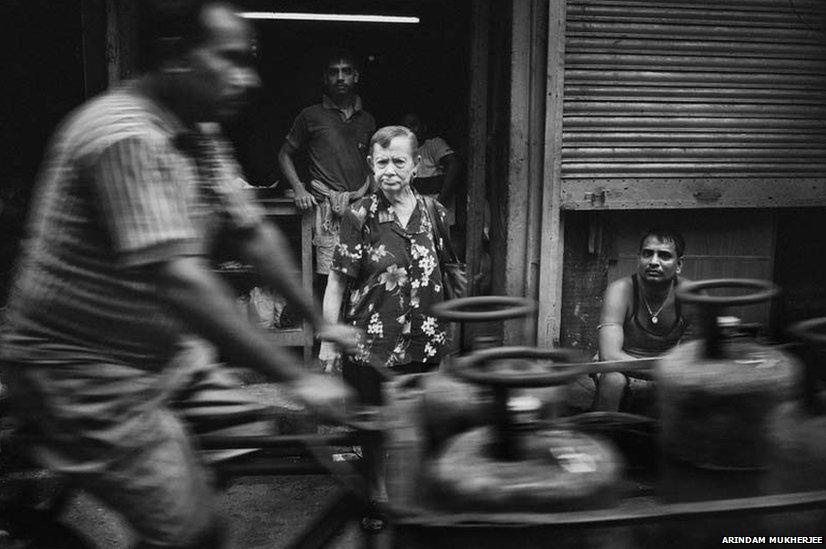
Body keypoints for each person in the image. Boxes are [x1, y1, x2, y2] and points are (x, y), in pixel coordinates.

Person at [0, 2, 357, 547]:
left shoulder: (199, 130)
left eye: (251, 61)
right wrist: (297, 377)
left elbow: (251, 232)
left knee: (245, 430)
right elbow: (179, 280)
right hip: (81, 368)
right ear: (176, 59)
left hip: (157, 355)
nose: (249, 78)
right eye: (231, 60)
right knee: (194, 530)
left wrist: (318, 323)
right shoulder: (124, 136)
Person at [318, 125, 453, 402]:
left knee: (419, 431)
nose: (389, 170)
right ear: (371, 165)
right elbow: (336, 282)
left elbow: (445, 275)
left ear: (415, 165)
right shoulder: (359, 215)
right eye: (382, 162)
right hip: (371, 351)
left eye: (399, 162)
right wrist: (330, 340)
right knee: (374, 435)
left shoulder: (435, 213)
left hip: (424, 347)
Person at [277, 50, 376, 293]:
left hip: (360, 206)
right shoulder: (310, 116)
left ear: (356, 77)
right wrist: (299, 188)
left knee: (364, 271)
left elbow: (373, 165)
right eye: (334, 72)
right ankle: (327, 329)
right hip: (326, 210)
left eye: (346, 71)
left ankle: (354, 328)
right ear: (325, 78)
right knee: (328, 278)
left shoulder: (368, 120)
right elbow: (284, 154)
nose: (340, 77)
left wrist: (376, 200)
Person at [595, 228, 690, 414]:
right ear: (639, 258)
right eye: (647, 254)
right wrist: (664, 373)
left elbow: (699, 353)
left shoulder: (690, 294)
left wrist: (676, 372)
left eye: (664, 256)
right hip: (623, 364)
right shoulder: (620, 291)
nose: (654, 262)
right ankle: (604, 436)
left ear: (678, 265)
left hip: (668, 366)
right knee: (613, 380)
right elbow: (609, 356)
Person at [400, 112, 462, 226]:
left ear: (423, 127)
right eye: (405, 127)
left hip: (437, 219)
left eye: (414, 125)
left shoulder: (434, 145)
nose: (410, 130)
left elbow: (454, 165)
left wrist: (439, 203)